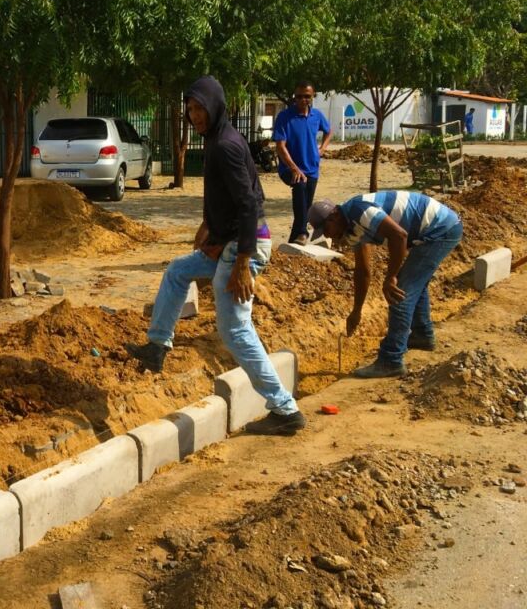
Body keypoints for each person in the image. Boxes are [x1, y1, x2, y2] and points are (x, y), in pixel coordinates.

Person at [132, 76, 306, 436]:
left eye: (199, 108)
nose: (194, 115)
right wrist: (210, 228)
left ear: (215, 106)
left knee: (235, 329)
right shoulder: (217, 139)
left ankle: (285, 409)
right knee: (179, 271)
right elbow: (230, 197)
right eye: (190, 108)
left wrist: (241, 262)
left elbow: (249, 203)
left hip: (245, 246)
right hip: (231, 242)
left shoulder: (225, 145)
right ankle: (157, 346)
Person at [307, 191, 463, 378]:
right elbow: (363, 271)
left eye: (325, 229)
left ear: (334, 217)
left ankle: (391, 360)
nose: (327, 235)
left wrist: (391, 277)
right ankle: (421, 334)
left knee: (399, 292)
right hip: (433, 231)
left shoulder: (360, 211)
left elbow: (399, 236)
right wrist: (356, 310)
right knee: (413, 284)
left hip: (441, 229)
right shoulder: (351, 229)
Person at [272, 81, 332, 244]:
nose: (302, 100)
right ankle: (303, 232)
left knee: (305, 206)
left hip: (312, 167)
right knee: (299, 187)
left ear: (312, 96)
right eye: (298, 96)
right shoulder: (284, 117)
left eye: (306, 96)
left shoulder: (316, 116)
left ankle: (294, 240)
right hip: (289, 168)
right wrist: (294, 168)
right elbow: (280, 146)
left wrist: (322, 149)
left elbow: (328, 131)